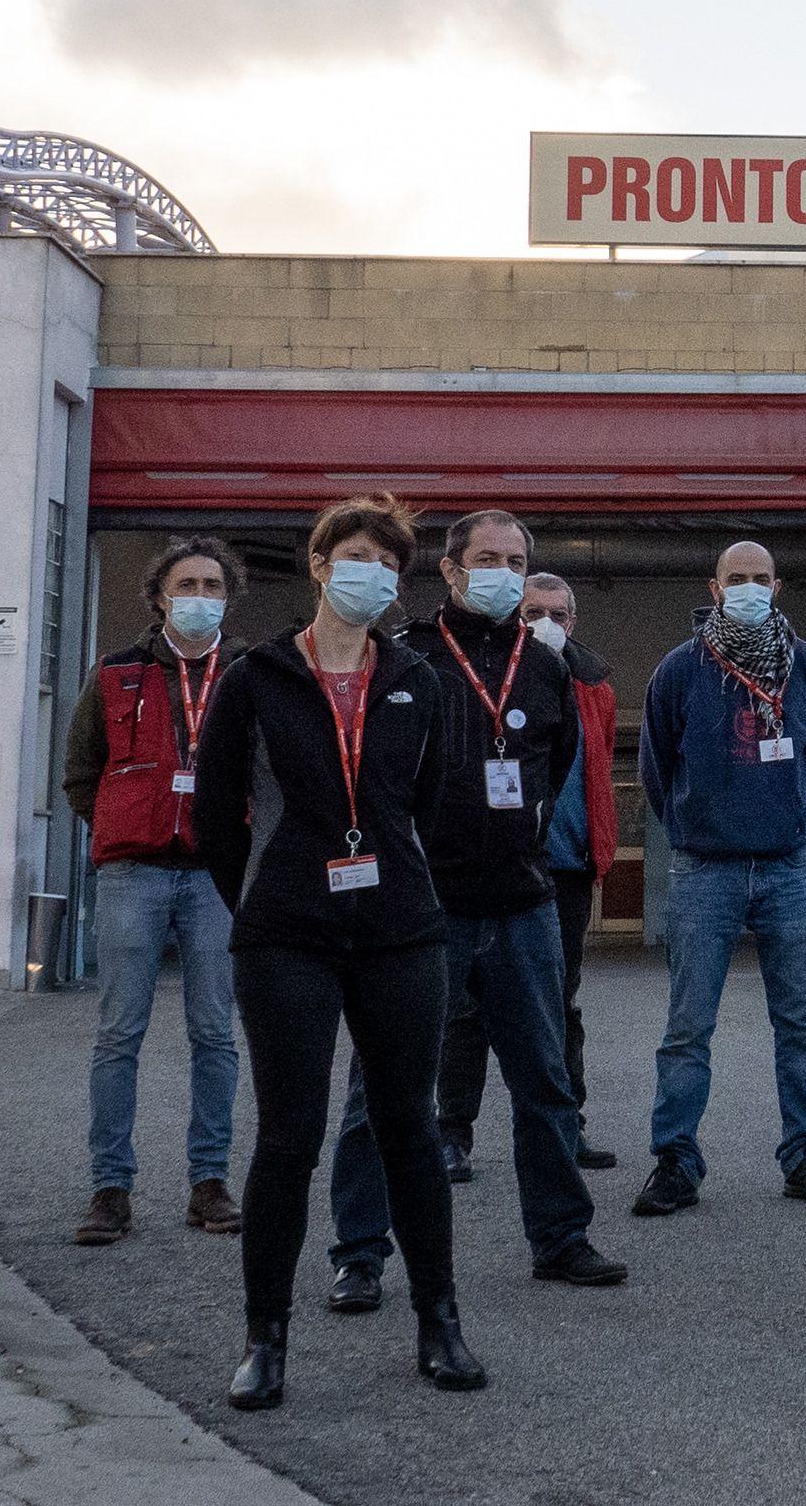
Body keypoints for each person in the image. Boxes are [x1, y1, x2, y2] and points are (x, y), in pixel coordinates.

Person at [192, 495, 483, 1408]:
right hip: (287, 936)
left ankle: (439, 1323)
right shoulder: (257, 677)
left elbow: (425, 804)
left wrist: (390, 872)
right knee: (289, 1137)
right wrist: (269, 899)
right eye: (359, 557)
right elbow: (214, 816)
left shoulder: (417, 679)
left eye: (391, 566)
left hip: (400, 931)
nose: (376, 576)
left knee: (410, 1128)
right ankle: (265, 1340)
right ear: (320, 565)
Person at [325, 512, 625, 1310]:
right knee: (383, 1087)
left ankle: (560, 1237)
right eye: (485, 559)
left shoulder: (547, 666)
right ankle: (359, 1253)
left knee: (546, 1083)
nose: (501, 571)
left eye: (515, 560)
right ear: (452, 572)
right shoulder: (410, 656)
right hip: (425, 909)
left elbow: (552, 769)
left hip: (523, 904)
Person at [632, 540, 806, 1216]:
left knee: (802, 1025)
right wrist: (700, 823)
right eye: (738, 578)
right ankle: (675, 1160)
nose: (750, 587)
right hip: (706, 870)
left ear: (778, 587)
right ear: (716, 586)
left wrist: (787, 818)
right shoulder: (681, 668)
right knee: (688, 1026)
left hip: (787, 867)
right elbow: (654, 768)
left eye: (761, 578)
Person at [62, 536, 249, 1247]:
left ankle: (210, 1181)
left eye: (211, 584)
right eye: (187, 584)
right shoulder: (115, 673)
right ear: (160, 596)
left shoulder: (247, 673)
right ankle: (110, 1188)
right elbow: (82, 769)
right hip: (133, 871)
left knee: (214, 1032)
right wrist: (120, 824)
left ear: (226, 597)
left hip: (213, 876)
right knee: (118, 1034)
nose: (200, 596)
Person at [432, 572, 619, 1173]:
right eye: (533, 611)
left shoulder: (594, 684)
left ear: (573, 621)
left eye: (558, 615)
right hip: (479, 864)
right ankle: (452, 1132)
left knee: (558, 1004)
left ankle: (568, 1126)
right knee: (463, 1007)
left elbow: (584, 764)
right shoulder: (486, 671)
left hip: (560, 868)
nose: (546, 623)